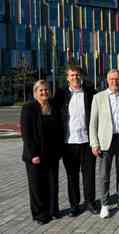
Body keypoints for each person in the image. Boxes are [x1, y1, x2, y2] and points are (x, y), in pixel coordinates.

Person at [89, 69, 119, 218]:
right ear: (107, 80)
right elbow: (93, 123)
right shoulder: (98, 97)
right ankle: (105, 204)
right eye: (111, 79)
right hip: (105, 141)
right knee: (104, 174)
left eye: (117, 79)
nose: (114, 82)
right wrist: (94, 143)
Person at [54, 65, 98, 217]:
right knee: (72, 176)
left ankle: (90, 202)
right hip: (68, 143)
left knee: (89, 175)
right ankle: (74, 205)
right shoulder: (60, 95)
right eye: (72, 75)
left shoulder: (91, 93)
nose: (75, 78)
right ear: (67, 78)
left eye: (77, 75)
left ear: (82, 76)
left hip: (87, 142)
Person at [21, 80, 62, 225]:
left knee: (52, 183)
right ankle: (40, 214)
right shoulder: (28, 108)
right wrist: (33, 155)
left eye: (46, 90)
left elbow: (59, 130)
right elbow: (26, 134)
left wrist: (59, 151)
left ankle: (53, 210)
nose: (44, 92)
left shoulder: (53, 106)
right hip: (35, 156)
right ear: (35, 93)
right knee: (37, 186)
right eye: (41, 90)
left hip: (51, 153)